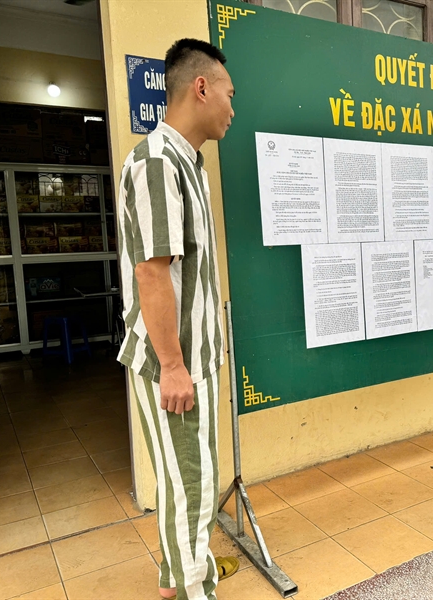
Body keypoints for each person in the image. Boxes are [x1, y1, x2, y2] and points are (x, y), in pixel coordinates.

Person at [116, 38, 239, 600]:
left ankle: (178, 581)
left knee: (186, 477)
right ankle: (194, 591)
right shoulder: (157, 163)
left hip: (195, 357)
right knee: (191, 484)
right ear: (201, 87)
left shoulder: (190, 164)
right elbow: (151, 273)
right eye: (229, 95)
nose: (232, 109)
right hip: (176, 362)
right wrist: (171, 365)